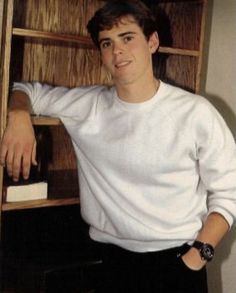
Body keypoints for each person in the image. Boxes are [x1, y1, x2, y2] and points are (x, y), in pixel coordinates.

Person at [0, 0, 236, 292]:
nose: (117, 51)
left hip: (178, 264)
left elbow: (229, 193)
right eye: (106, 43)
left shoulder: (195, 112)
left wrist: (198, 256)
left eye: (127, 38)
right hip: (109, 264)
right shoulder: (88, 105)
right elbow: (24, 90)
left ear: (152, 42)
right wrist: (19, 115)